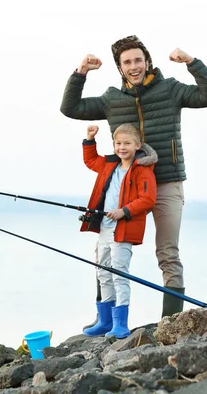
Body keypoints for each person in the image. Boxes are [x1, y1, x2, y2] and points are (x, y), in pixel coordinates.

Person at [61, 35, 207, 318]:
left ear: (147, 62)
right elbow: (70, 108)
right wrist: (81, 71)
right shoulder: (112, 99)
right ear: (120, 68)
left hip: (167, 182)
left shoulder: (170, 90)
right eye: (127, 62)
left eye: (138, 60)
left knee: (168, 253)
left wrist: (191, 62)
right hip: (125, 188)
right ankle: (107, 319)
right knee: (108, 253)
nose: (134, 66)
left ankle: (171, 323)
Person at [80, 123, 157, 338]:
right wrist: (89, 139)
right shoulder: (109, 164)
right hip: (105, 228)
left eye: (127, 143)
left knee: (119, 274)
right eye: (118, 143)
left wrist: (124, 211)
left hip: (123, 230)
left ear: (137, 145)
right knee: (102, 272)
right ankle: (105, 321)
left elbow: (148, 199)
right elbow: (90, 161)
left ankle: (120, 324)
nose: (122, 147)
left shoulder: (143, 170)